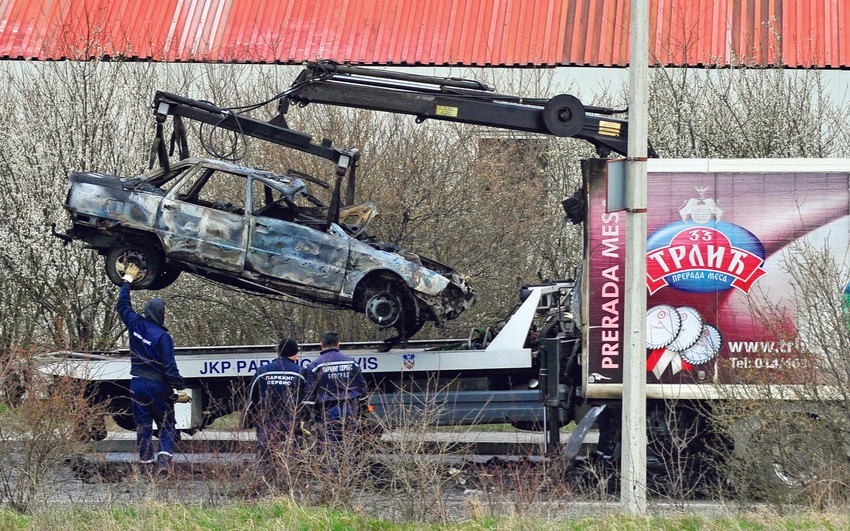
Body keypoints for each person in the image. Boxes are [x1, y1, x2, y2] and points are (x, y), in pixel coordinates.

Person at [116, 263, 191, 476]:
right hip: (159, 387)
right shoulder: (163, 337)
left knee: (143, 427)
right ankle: (164, 462)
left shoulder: (136, 324)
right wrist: (181, 390)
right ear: (161, 314)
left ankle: (145, 466)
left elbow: (122, 305)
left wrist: (128, 280)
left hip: (138, 384)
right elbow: (170, 368)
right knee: (167, 424)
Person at [246, 337, 309, 479]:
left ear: (279, 352)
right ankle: (289, 482)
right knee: (292, 455)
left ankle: (266, 483)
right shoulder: (301, 372)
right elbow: (307, 399)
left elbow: (252, 396)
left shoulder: (262, 371)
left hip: (268, 421)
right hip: (291, 422)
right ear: (295, 354)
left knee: (266, 455)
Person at [305, 331, 369, 457]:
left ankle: (332, 475)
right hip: (350, 410)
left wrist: (306, 417)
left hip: (327, 412)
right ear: (338, 344)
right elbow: (363, 388)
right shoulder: (352, 363)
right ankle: (347, 473)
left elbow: (309, 394)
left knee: (329, 449)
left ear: (321, 344)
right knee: (348, 447)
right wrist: (364, 410)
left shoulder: (315, 366)